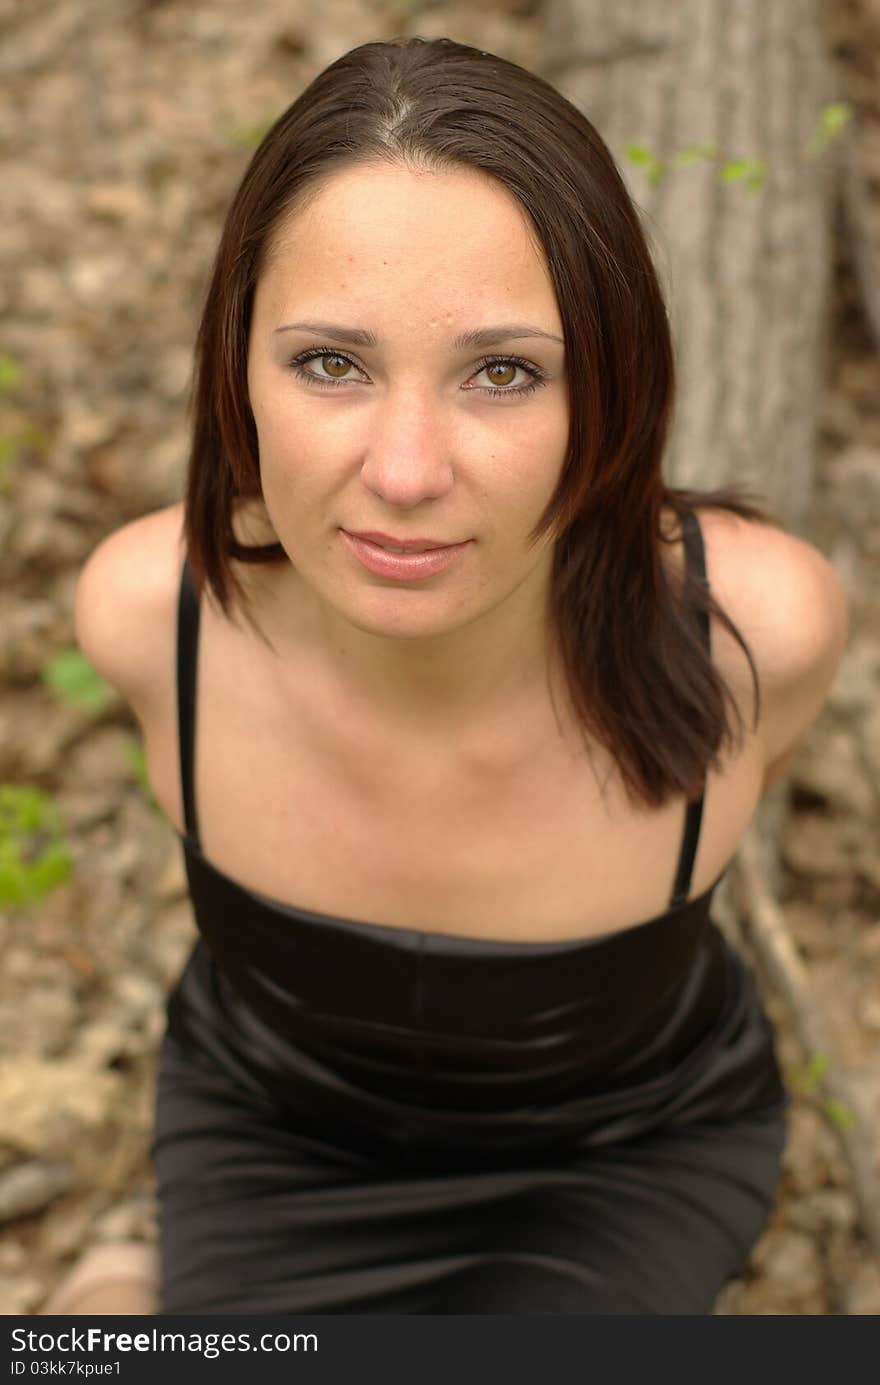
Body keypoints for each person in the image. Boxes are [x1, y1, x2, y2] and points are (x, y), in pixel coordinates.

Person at [53, 35, 848, 1315]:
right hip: (271, 1135)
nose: (408, 471)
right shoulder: (152, 619)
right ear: (234, 371)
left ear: (610, 391)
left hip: (619, 1157)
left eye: (502, 372)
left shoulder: (753, 631)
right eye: (331, 363)